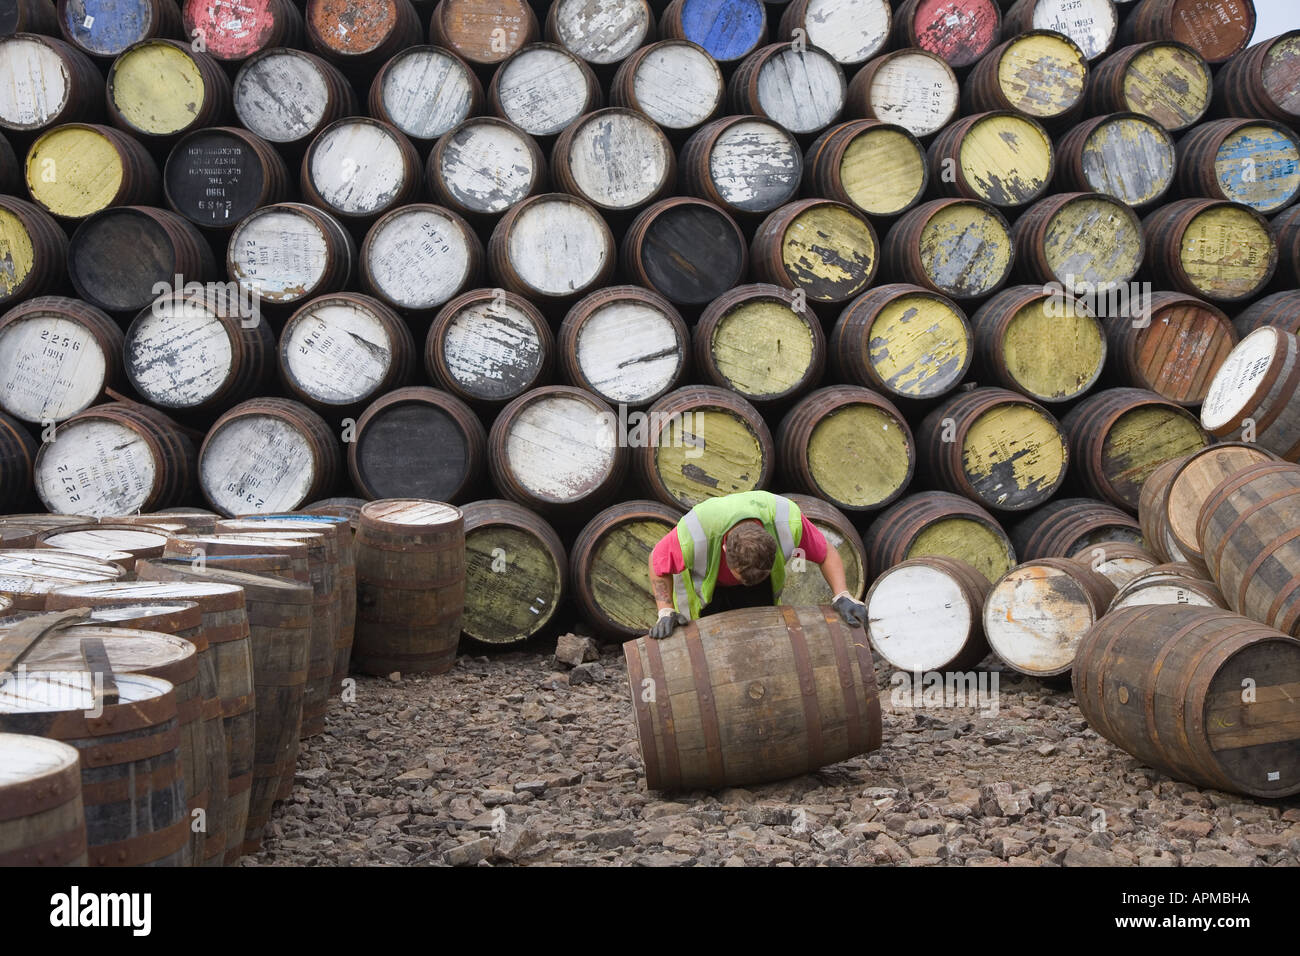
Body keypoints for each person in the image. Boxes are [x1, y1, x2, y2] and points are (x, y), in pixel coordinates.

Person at [646, 490, 869, 639]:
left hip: (762, 594)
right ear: (725, 550)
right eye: (742, 577)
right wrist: (665, 610)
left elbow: (826, 553)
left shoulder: (786, 520)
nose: (746, 583)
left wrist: (842, 594)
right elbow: (657, 562)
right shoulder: (696, 531)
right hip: (707, 593)